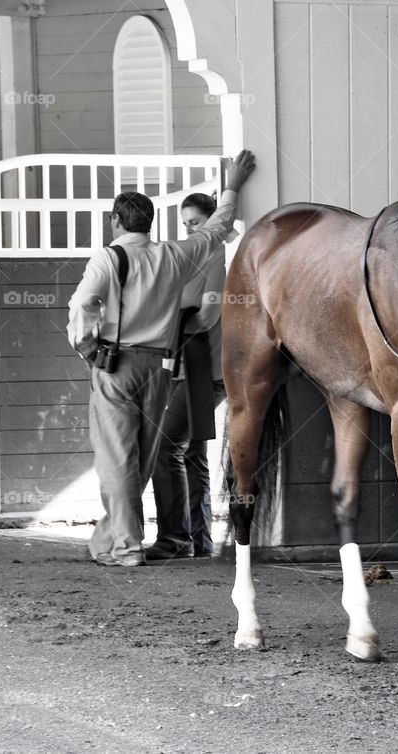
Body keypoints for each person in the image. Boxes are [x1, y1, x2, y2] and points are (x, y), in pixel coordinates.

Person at [67, 151, 257, 567]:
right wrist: (232, 187)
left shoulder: (109, 257)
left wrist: (86, 347)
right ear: (149, 223)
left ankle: (126, 546)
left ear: (116, 221)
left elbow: (82, 303)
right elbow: (218, 228)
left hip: (115, 363)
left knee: (117, 456)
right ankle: (111, 539)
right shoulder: (173, 255)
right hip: (161, 368)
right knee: (143, 454)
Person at [147, 193, 228, 559]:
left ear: (211, 222)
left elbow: (207, 317)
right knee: (192, 454)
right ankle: (199, 541)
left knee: (166, 447)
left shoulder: (215, 259)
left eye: (194, 222)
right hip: (188, 369)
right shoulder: (192, 261)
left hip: (208, 371)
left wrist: (167, 326)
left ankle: (175, 539)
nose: (188, 229)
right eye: (185, 224)